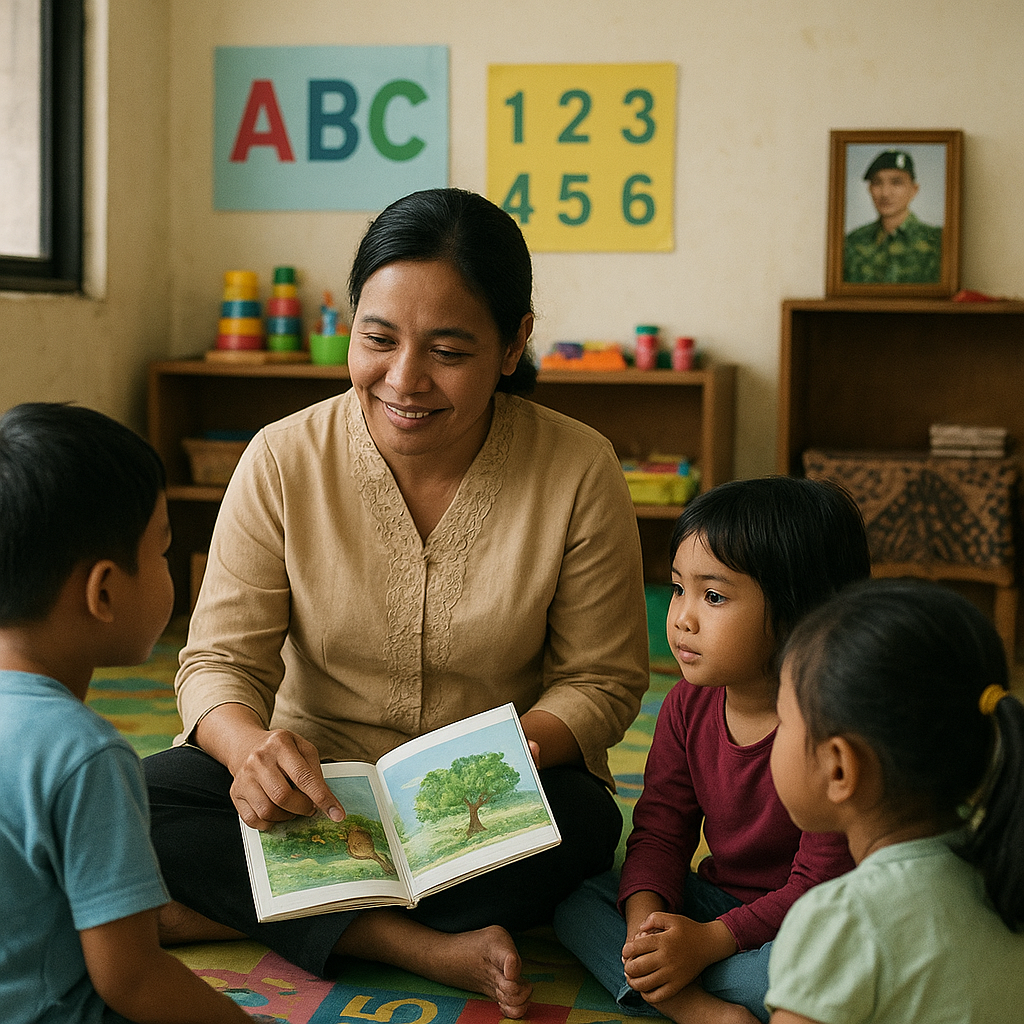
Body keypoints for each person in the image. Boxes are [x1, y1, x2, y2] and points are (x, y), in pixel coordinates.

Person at [143, 187, 650, 1018]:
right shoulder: (281, 459)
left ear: (516, 340)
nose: (404, 380)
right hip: (315, 795)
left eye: (449, 350)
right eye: (378, 339)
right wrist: (250, 755)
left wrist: (486, 766)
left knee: (584, 829)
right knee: (145, 803)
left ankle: (244, 905)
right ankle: (409, 941)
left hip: (484, 801)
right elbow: (218, 662)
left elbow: (601, 682)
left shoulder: (578, 468)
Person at [554, 476, 872, 1024]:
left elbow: (821, 884)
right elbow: (660, 828)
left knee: (811, 970)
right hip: (717, 905)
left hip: (814, 921)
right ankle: (691, 1004)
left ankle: (679, 985)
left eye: (715, 596)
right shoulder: (685, 705)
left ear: (802, 610)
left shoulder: (833, 722)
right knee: (578, 903)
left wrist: (706, 944)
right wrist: (647, 928)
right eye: (679, 588)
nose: (682, 617)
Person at [0, 403, 250, 1024]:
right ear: (104, 591)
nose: (170, 567)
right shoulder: (85, 754)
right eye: (164, 551)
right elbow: (133, 980)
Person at [766, 578, 1024, 1023]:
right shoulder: (1008, 871)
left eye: (783, 719)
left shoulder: (842, 920)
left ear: (840, 767)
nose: (775, 732)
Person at [843, 149, 943, 284]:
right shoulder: (853, 242)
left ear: (914, 190)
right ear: (870, 189)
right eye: (877, 183)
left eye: (896, 183)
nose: (885, 193)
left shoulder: (937, 242)